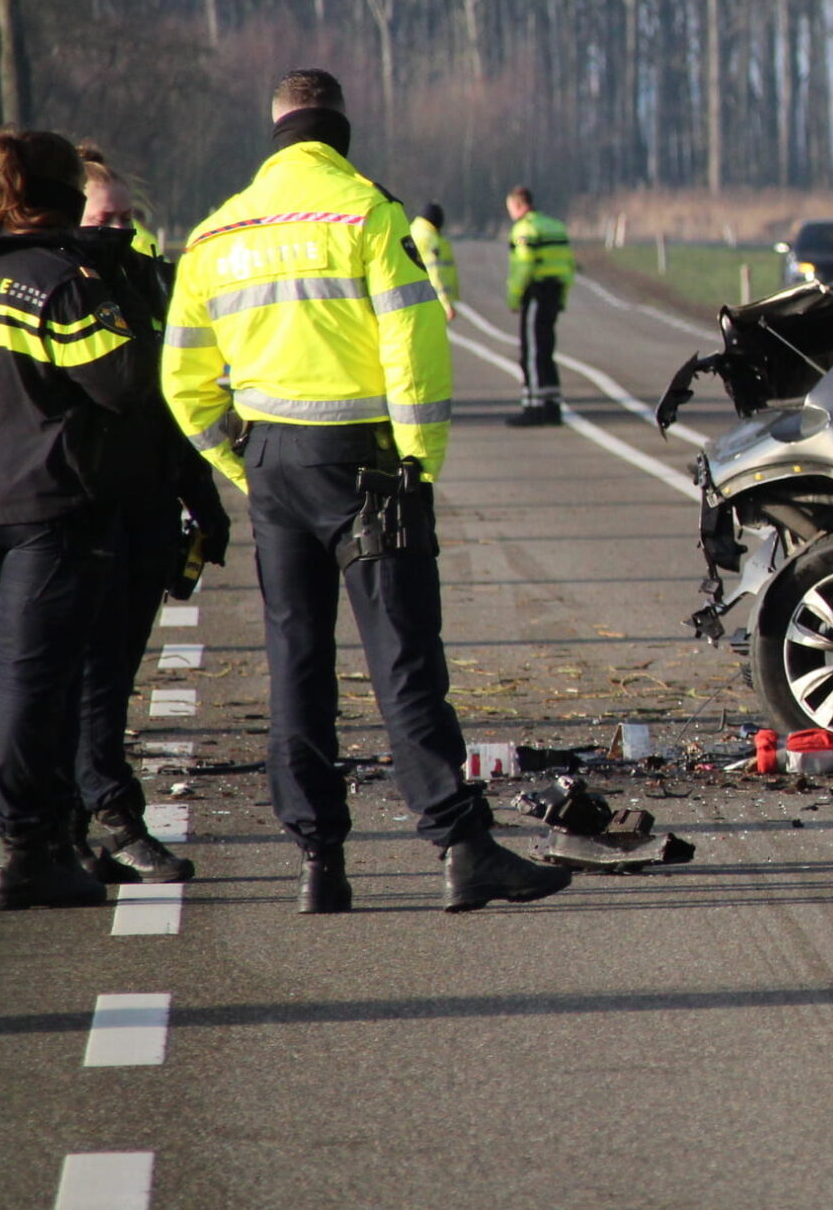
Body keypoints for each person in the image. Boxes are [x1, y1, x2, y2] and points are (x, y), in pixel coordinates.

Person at [163, 71, 570, 914]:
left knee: (296, 662)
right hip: (368, 467)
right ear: (339, 130)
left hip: (273, 464)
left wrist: (241, 465)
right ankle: (459, 842)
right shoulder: (368, 216)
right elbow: (413, 349)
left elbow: (184, 384)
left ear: (277, 130)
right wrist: (419, 463)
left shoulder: (214, 234)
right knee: (403, 656)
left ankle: (319, 860)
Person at [0, 130, 157, 910]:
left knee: (30, 673)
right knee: (33, 682)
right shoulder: (58, 281)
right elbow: (127, 381)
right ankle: (23, 850)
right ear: (68, 198)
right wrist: (116, 284)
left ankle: (49, 839)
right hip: (49, 508)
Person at [70, 144, 229, 885]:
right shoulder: (54, 288)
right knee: (90, 674)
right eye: (105, 218)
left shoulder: (147, 279)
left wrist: (201, 496)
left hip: (148, 503)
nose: (121, 231)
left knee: (113, 672)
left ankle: (75, 824)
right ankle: (107, 816)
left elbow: (173, 399)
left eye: (127, 218)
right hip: (80, 509)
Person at [502, 185, 573, 428]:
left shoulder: (525, 229)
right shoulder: (555, 227)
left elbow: (524, 267)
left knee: (531, 353)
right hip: (554, 294)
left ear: (518, 205)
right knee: (546, 350)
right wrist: (562, 298)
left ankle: (533, 407)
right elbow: (568, 266)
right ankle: (552, 407)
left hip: (535, 293)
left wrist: (513, 298)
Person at [408, 201, 458, 323]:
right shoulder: (431, 239)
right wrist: (446, 304)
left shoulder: (411, 231)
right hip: (431, 301)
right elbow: (436, 273)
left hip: (412, 300)